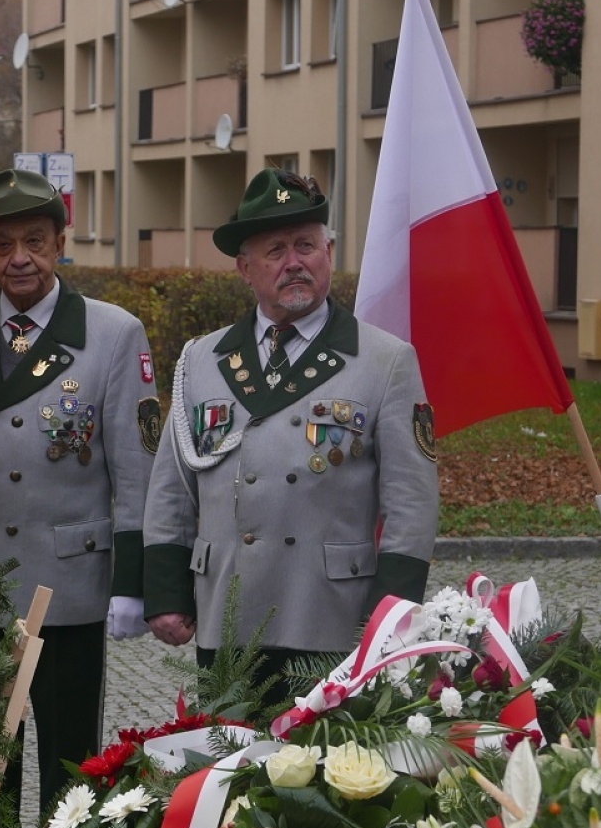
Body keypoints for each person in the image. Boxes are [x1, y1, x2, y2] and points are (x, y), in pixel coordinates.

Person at [142, 168, 439, 697]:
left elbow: (411, 500)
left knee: (327, 771)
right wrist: (166, 589)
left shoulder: (385, 360)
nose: (294, 262)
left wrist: (391, 609)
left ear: (329, 252)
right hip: (227, 611)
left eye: (307, 245)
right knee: (226, 767)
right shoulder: (202, 359)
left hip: (331, 613)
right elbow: (171, 486)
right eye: (276, 250)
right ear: (245, 268)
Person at [0, 168, 159, 816]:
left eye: (35, 241)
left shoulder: (111, 332)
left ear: (61, 241)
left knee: (71, 763)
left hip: (69, 582)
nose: (20, 260)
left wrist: (132, 581)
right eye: (3, 245)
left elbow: (134, 467)